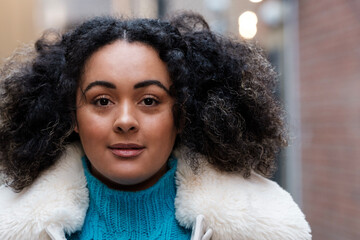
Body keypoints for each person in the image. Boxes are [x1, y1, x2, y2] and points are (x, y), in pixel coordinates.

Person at [0, 12, 311, 240]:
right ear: (72, 117)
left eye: (149, 100)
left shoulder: (265, 227)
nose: (125, 121)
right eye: (102, 101)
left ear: (182, 115)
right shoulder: (12, 227)